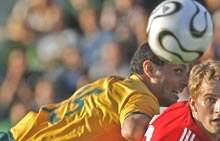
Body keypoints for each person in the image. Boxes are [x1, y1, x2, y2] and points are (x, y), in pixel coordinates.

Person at [0, 42, 189, 141]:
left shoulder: (109, 85)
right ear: (150, 70)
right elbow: (133, 130)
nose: (185, 81)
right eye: (178, 71)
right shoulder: (141, 94)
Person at [142, 59, 220, 141]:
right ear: (193, 104)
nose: (219, 108)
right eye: (210, 99)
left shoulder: (217, 122)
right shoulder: (182, 136)